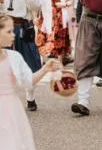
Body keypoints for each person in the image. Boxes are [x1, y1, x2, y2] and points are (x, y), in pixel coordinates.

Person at [0, 14, 60, 150]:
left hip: (10, 109)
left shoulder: (14, 57)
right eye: (9, 31)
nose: (14, 34)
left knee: (10, 143)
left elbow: (28, 81)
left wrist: (45, 69)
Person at [0, 0, 42, 111]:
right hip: (3, 28)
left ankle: (30, 98)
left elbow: (37, 6)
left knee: (30, 62)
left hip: (23, 27)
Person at [36, 0, 72, 64]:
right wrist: (36, 17)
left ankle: (59, 63)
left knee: (59, 40)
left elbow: (70, 1)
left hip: (59, 18)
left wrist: (63, 4)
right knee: (43, 40)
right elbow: (37, 3)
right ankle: (46, 62)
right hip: (46, 18)